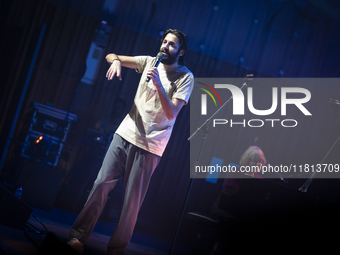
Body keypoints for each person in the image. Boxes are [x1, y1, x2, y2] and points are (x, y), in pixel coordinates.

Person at [67, 28, 194, 255]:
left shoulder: (185, 77)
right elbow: (110, 54)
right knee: (100, 184)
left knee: (131, 204)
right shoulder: (149, 61)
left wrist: (158, 84)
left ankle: (116, 249)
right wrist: (115, 61)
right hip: (125, 133)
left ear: (181, 51)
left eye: (171, 44)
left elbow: (172, 112)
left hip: (151, 145)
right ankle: (77, 238)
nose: (165, 46)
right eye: (164, 41)